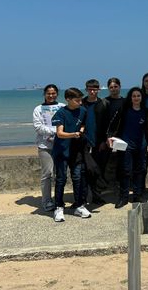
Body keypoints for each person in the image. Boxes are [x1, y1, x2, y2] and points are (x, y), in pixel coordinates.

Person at [107, 87, 148, 208]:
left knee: (140, 171)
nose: (136, 98)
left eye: (138, 96)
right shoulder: (124, 109)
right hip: (126, 145)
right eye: (134, 96)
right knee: (125, 171)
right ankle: (124, 197)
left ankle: (137, 195)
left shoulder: (145, 111)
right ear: (130, 98)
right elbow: (113, 124)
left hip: (141, 146)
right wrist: (110, 136)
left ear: (141, 98)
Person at [51, 87, 89, 222]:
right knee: (61, 179)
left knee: (78, 178)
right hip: (61, 151)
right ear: (68, 99)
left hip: (76, 151)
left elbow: (83, 124)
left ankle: (79, 206)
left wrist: (81, 130)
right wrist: (74, 134)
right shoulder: (61, 113)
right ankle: (59, 207)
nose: (80, 102)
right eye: (77, 100)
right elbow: (59, 133)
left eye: (80, 100)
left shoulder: (83, 111)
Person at [33, 84, 65, 211]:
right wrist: (56, 131)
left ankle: (58, 200)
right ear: (44, 94)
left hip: (61, 145)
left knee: (60, 174)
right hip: (45, 146)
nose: (51, 95)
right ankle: (46, 201)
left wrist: (61, 133)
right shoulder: (38, 109)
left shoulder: (62, 107)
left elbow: (67, 123)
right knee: (47, 174)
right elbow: (38, 127)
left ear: (57, 93)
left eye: (53, 93)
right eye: (48, 93)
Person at [82, 79, 110, 205]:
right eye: (89, 89)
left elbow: (107, 125)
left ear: (98, 90)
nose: (92, 91)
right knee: (85, 170)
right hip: (84, 142)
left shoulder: (104, 104)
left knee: (98, 169)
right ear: (86, 89)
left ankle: (96, 196)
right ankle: (82, 197)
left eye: (94, 89)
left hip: (99, 143)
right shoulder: (81, 103)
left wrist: (105, 141)